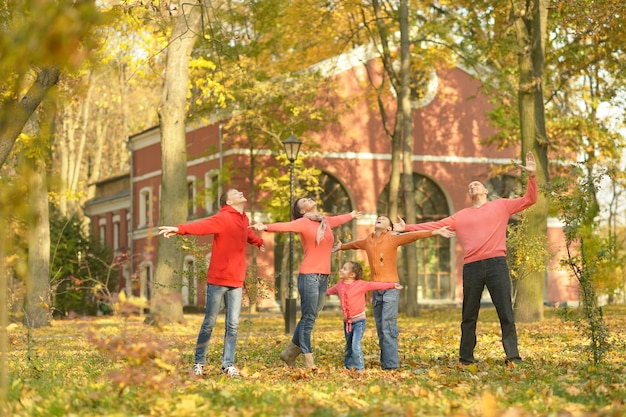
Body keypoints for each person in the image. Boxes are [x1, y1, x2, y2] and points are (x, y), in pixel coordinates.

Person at [394, 151, 537, 366]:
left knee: (505, 312)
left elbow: (530, 199)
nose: (473, 186)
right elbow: (434, 225)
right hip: (472, 267)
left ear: (486, 190)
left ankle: (512, 356)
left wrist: (532, 177)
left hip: (496, 264)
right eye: (470, 186)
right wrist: (407, 228)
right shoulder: (460, 216)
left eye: (477, 184)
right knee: (469, 315)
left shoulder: (501, 205)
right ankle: (466, 358)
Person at [158, 188, 265, 378]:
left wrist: (257, 242)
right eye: (235, 193)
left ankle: (227, 365)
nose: (240, 193)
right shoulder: (223, 217)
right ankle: (198, 363)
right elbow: (202, 226)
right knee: (209, 322)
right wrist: (179, 229)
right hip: (218, 279)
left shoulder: (244, 219)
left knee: (233, 325)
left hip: (237, 280)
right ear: (228, 202)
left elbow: (246, 235)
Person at [251, 197, 361, 369]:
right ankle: (308, 361)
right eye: (304, 200)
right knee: (308, 319)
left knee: (310, 317)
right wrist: (265, 226)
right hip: (309, 275)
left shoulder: (324, 221)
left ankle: (288, 354)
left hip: (324, 276)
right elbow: (285, 226)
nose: (309, 198)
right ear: (302, 210)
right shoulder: (303, 222)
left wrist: (352, 214)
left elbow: (338, 219)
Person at [333, 215, 455, 370]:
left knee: (388, 325)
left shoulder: (392, 238)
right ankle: (386, 362)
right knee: (380, 326)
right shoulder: (368, 240)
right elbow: (355, 244)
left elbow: (414, 236)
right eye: (378, 218)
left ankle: (391, 365)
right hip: (376, 289)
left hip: (391, 288)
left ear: (389, 228)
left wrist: (436, 232)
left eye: (383, 219)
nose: (379, 219)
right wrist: (341, 246)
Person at [326, 261, 403, 371]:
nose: (341, 270)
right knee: (348, 346)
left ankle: (359, 368)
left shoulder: (361, 284)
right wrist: (318, 292)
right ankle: (348, 367)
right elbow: (328, 292)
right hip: (347, 322)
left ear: (352, 275)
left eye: (344, 269)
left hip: (359, 322)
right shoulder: (340, 285)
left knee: (355, 345)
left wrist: (392, 285)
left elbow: (377, 285)